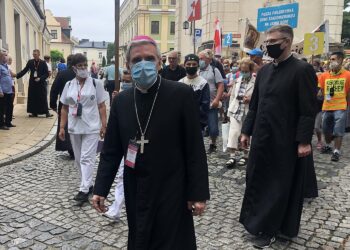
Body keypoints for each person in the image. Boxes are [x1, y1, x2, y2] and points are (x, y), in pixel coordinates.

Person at [92, 35, 210, 249]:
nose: (143, 64)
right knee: (140, 234)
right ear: (128, 65)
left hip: (172, 184)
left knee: (171, 239)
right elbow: (111, 150)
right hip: (136, 184)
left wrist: (198, 193)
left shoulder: (181, 94)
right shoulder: (122, 101)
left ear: (159, 62)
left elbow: (194, 147)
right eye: (137, 60)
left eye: (149, 58)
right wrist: (100, 187)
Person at [239, 25, 318, 248]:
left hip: (285, 140)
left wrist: (304, 141)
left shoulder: (302, 70)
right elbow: (254, 105)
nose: (268, 45)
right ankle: (253, 221)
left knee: (277, 185)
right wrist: (246, 131)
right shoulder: (263, 71)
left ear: (287, 42)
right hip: (261, 138)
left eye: (273, 41)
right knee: (255, 178)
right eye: (267, 41)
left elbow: (307, 109)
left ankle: (270, 228)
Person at [59, 53, 108, 203]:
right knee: (79, 159)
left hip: (92, 127)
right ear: (73, 68)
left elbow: (101, 106)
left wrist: (104, 125)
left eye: (85, 65)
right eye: (80, 66)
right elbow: (65, 108)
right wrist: (62, 127)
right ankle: (89, 183)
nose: (83, 68)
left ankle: (84, 189)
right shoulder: (69, 85)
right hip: (74, 127)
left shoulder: (95, 83)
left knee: (87, 158)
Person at [318, 51, 350, 162]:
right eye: (330, 59)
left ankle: (336, 151)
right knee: (326, 130)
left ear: (340, 60)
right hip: (327, 106)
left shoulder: (348, 75)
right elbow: (321, 91)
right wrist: (319, 93)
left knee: (338, 130)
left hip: (341, 106)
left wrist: (347, 106)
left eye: (333, 59)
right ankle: (329, 144)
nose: (331, 61)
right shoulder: (324, 75)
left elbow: (349, 92)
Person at [225, 58, 255, 169]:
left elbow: (258, 97)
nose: (243, 72)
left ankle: (245, 155)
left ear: (251, 70)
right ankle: (232, 156)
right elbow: (232, 96)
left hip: (247, 111)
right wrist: (228, 111)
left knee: (246, 133)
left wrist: (250, 99)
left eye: (246, 70)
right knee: (234, 132)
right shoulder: (237, 80)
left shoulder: (255, 82)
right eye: (242, 70)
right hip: (235, 110)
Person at [50, 55, 75, 159]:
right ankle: (76, 148)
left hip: (64, 103)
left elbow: (54, 89)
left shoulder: (62, 74)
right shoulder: (81, 74)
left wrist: (52, 104)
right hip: (78, 104)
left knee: (64, 125)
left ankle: (70, 148)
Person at [199, 49, 224, 153]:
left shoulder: (214, 70)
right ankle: (198, 146)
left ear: (208, 60)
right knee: (198, 127)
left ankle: (213, 144)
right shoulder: (196, 70)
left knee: (213, 128)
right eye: (199, 59)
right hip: (199, 104)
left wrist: (217, 100)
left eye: (201, 59)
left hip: (211, 104)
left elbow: (221, 85)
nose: (200, 61)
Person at [16, 49, 53, 118]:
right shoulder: (30, 62)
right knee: (33, 97)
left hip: (41, 83)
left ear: (39, 55)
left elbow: (46, 74)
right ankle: (34, 112)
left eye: (35, 54)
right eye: (33, 54)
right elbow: (25, 70)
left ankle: (46, 112)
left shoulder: (43, 63)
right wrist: (17, 75)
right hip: (33, 82)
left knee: (42, 97)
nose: (34, 55)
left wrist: (40, 78)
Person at [179, 54, 210, 131]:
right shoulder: (180, 82)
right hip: (182, 122)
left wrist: (200, 122)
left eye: (194, 64)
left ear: (198, 66)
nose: (191, 66)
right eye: (188, 64)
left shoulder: (203, 83)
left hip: (197, 123)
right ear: (184, 65)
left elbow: (205, 105)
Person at [0, 50, 15, 130]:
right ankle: (1, 124)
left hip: (9, 90)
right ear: (1, 57)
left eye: (6, 55)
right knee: (2, 108)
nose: (6, 57)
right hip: (3, 91)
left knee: (10, 107)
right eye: (5, 55)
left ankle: (8, 122)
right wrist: (0, 91)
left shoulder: (6, 66)